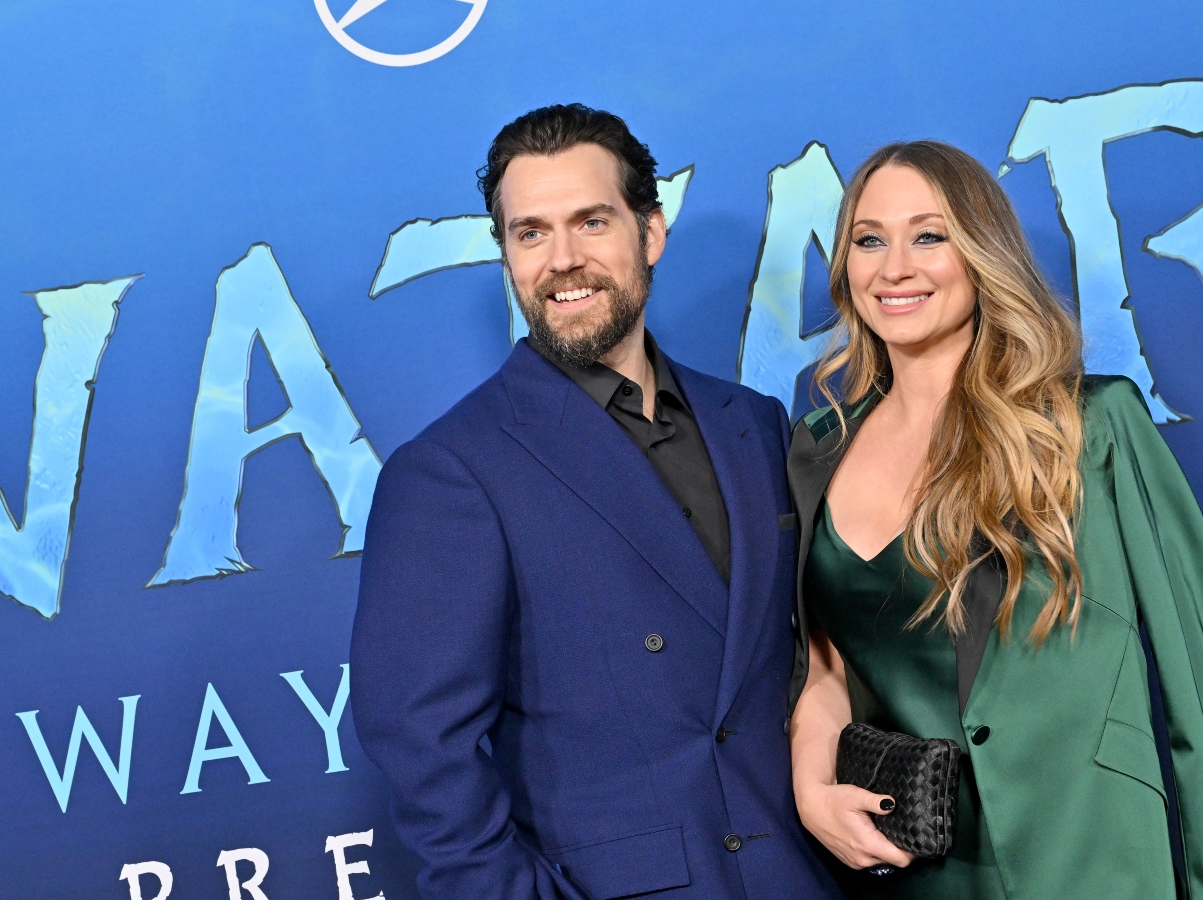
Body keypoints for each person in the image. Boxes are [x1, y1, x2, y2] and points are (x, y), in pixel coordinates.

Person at [351, 105, 841, 900]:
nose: (562, 260)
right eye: (531, 233)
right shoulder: (450, 472)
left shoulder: (752, 424)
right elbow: (422, 750)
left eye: (590, 221)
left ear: (651, 233)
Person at [786, 141, 1203, 899]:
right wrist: (813, 780)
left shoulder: (1092, 426)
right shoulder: (817, 449)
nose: (894, 266)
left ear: (981, 253)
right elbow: (826, 662)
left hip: (1091, 856)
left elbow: (1197, 699)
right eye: (869, 240)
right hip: (921, 871)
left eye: (929, 236)